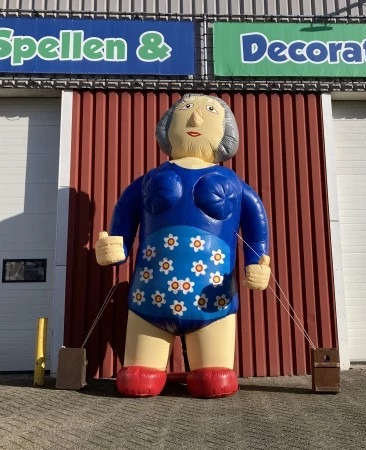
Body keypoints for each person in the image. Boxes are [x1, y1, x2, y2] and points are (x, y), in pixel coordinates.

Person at [96, 94, 270, 398]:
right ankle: (147, 365)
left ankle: (207, 367)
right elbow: (123, 218)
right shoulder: (149, 179)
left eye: (209, 112)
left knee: (215, 380)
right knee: (137, 380)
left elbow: (256, 224)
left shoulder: (233, 182)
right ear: (167, 126)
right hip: (151, 297)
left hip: (212, 299)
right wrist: (114, 246)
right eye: (186, 110)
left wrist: (257, 262)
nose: (195, 119)